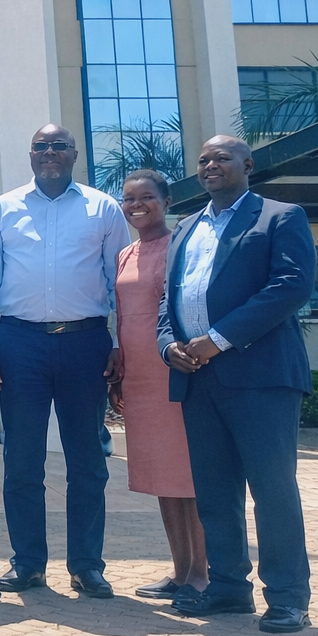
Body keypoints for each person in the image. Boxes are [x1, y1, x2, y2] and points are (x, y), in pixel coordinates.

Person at [159, 136, 316, 634]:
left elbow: (290, 286)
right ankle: (228, 588)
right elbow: (169, 303)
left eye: (222, 157)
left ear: (247, 164)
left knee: (272, 490)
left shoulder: (279, 217)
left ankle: (288, 596)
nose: (210, 165)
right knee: (214, 493)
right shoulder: (186, 227)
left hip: (261, 378)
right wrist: (170, 347)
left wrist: (219, 340)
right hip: (197, 380)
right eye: (203, 159)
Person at [0, 124, 131, 599]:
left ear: (74, 154)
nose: (49, 153)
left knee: (87, 459)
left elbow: (119, 281)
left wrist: (118, 343)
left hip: (86, 344)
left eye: (58, 146)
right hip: (20, 343)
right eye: (41, 146)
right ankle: (27, 563)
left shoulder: (102, 208)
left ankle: (87, 565)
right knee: (22, 460)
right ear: (30, 154)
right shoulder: (2, 209)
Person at [110, 168, 207, 600]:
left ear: (166, 201)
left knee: (188, 477)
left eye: (146, 197)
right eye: (129, 200)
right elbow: (124, 316)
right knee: (162, 481)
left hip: (175, 372)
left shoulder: (182, 247)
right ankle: (180, 570)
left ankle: (202, 574)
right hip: (140, 378)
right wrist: (120, 365)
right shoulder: (126, 254)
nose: (136, 206)